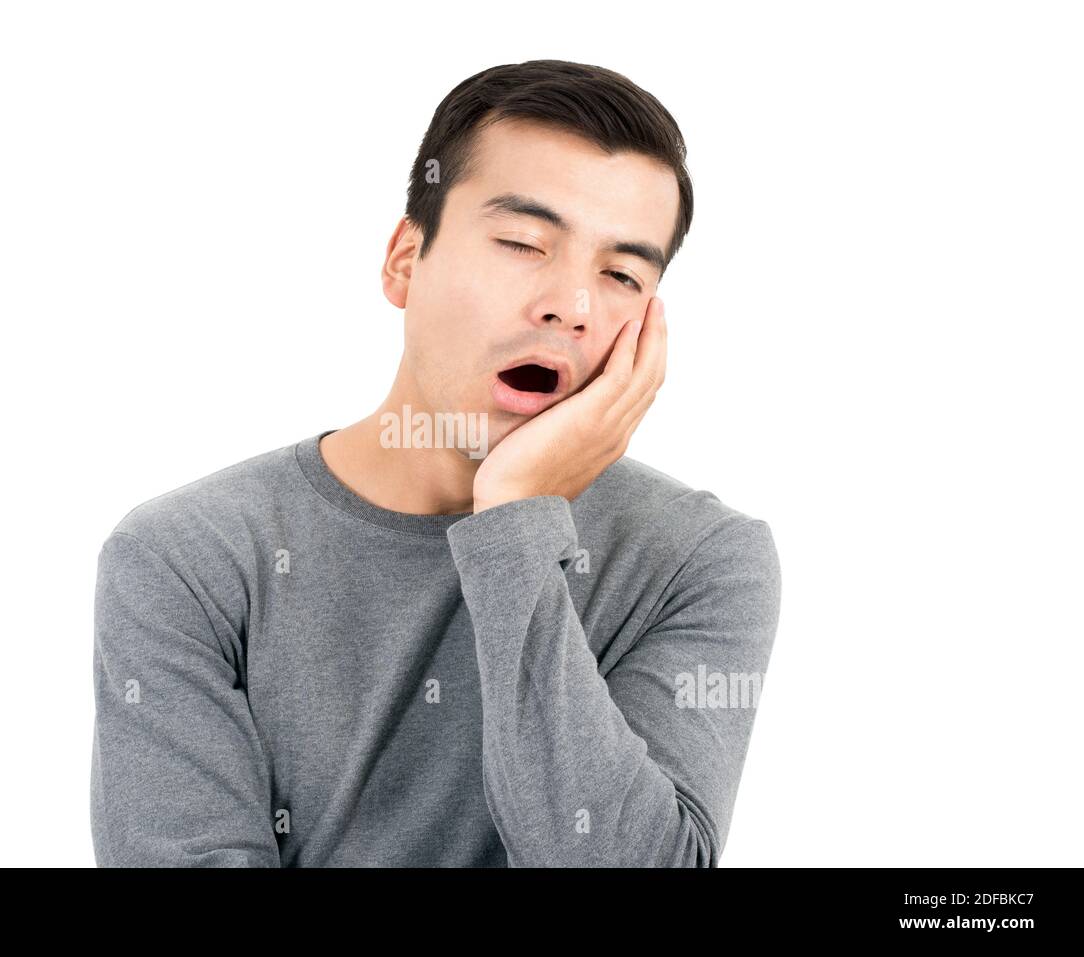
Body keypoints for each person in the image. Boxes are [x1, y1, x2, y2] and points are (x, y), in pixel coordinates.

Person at [90, 59, 781, 867]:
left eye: (621, 273)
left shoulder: (702, 560)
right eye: (524, 242)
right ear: (404, 261)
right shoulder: (185, 557)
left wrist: (517, 522)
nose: (573, 304)